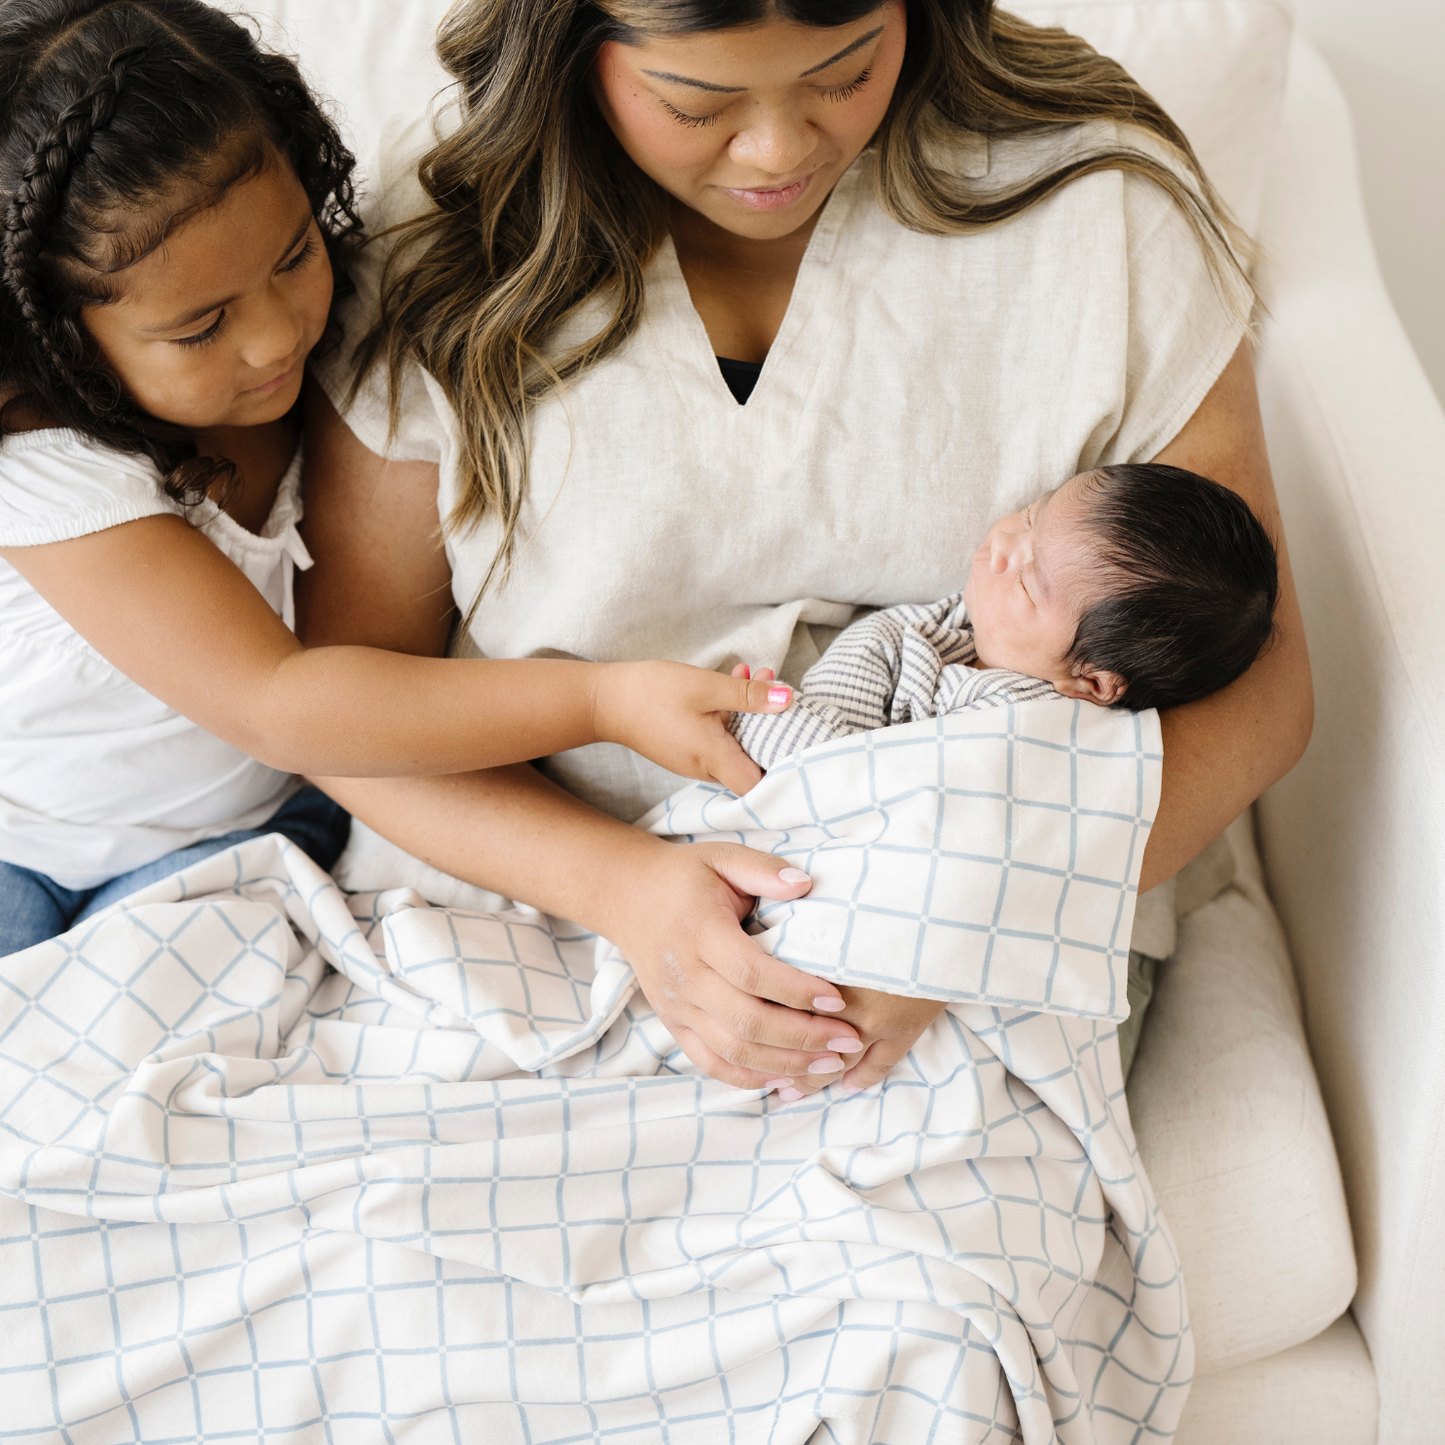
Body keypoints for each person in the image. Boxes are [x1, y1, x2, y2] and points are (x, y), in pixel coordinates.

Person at [300, 0, 1313, 1099]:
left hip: (980, 923)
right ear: (566, 49)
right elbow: (344, 707)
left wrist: (943, 925)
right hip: (534, 895)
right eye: (697, 102)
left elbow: (1254, 695)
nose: (778, 150)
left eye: (843, 72)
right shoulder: (439, 245)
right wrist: (631, 889)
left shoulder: (1100, 210)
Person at [0, 0, 797, 957]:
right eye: (201, 327)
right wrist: (598, 702)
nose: (275, 334)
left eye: (294, 255)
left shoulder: (338, 350)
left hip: (260, 825)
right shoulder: (51, 468)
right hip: (29, 845)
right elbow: (280, 700)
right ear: (55, 338)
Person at [730, 462, 1281, 769]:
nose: (1000, 543)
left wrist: (755, 718)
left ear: (1091, 682)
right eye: (1031, 515)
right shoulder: (940, 633)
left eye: (1024, 579)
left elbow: (843, 777)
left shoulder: (1018, 724)